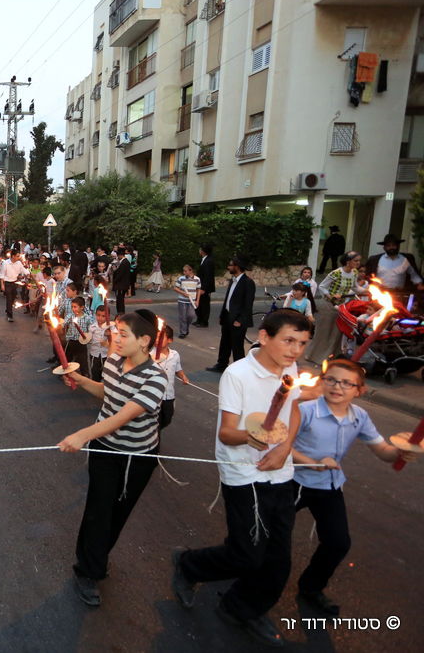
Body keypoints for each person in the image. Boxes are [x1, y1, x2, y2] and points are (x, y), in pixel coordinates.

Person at [171, 310, 315, 648]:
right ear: (264, 337)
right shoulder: (237, 374)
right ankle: (189, 564)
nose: (295, 351)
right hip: (243, 472)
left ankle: (243, 608)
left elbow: (293, 410)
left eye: (303, 344)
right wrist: (258, 439)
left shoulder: (290, 369)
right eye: (289, 341)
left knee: (278, 559)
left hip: (281, 471)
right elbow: (227, 433)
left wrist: (285, 448)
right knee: (247, 553)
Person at [58, 310, 169, 607]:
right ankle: (88, 570)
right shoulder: (113, 361)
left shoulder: (156, 378)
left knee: (119, 513)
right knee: (98, 510)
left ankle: (98, 555)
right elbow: (108, 394)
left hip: (139, 457)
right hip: (106, 450)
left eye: (123, 335)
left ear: (144, 341)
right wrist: (81, 380)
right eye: (115, 333)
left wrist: (83, 434)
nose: (115, 339)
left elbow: (123, 416)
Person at [289, 358, 417, 616]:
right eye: (332, 380)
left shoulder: (360, 417)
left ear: (360, 390)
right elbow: (282, 447)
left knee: (337, 542)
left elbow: (382, 449)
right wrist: (312, 462)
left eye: (347, 383)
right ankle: (244, 573)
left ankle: (311, 588)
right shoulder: (306, 410)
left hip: (329, 486)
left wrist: (401, 452)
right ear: (323, 382)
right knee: (269, 536)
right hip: (293, 483)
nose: (338, 387)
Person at [305, 251, 361, 365]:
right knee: (324, 332)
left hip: (341, 307)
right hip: (328, 305)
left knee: (336, 333)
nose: (358, 263)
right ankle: (316, 357)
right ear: (348, 261)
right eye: (356, 260)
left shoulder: (355, 272)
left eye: (359, 260)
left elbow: (356, 288)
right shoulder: (336, 273)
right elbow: (322, 286)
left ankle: (332, 357)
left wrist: (369, 291)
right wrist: (330, 295)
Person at [207, 256, 256, 373]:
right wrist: (222, 314)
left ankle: (240, 370)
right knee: (225, 342)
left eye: (230, 265)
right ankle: (221, 364)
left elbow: (248, 304)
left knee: (237, 345)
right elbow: (228, 299)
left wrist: (240, 319)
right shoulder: (233, 280)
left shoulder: (248, 283)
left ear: (237, 267)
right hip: (228, 316)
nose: (228, 267)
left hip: (238, 320)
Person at [364, 234, 424, 306]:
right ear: (384, 247)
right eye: (388, 246)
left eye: (393, 245)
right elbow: (367, 275)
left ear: (398, 246)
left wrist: (419, 284)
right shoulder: (375, 259)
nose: (391, 248)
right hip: (380, 294)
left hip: (399, 295)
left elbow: (414, 275)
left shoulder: (406, 259)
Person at [151, 325, 188, 430]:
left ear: (170, 340)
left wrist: (183, 376)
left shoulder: (174, 355)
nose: (157, 340)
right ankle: (154, 436)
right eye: (156, 337)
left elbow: (178, 369)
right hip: (154, 395)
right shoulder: (149, 354)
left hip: (169, 395)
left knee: (167, 418)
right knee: (155, 423)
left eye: (161, 337)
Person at [173, 264, 202, 338]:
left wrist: (197, 300)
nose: (184, 272)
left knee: (191, 315)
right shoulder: (181, 278)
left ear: (190, 270)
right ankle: (183, 332)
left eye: (185, 271)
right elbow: (175, 288)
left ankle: (186, 328)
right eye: (183, 271)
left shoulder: (197, 279)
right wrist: (183, 293)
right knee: (182, 317)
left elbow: (198, 290)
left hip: (192, 301)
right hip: (182, 301)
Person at [0, 251, 29, 322]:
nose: (19, 257)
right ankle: (10, 315)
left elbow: (24, 270)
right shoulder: (5, 263)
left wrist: (28, 274)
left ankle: (8, 309)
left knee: (13, 297)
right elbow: (2, 275)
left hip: (15, 283)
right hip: (7, 283)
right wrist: (2, 285)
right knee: (9, 299)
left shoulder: (19, 263)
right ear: (13, 256)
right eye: (18, 256)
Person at [195, 245, 215, 327]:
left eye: (200, 249)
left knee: (205, 305)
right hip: (200, 286)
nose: (199, 250)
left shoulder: (208, 261)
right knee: (199, 304)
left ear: (203, 251)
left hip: (204, 288)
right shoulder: (204, 260)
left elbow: (208, 276)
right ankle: (199, 319)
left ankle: (204, 322)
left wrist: (204, 288)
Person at [110, 248, 132, 316]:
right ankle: (120, 313)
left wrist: (114, 281)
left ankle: (121, 313)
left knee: (120, 300)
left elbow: (120, 274)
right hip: (121, 284)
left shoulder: (124, 262)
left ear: (120, 255)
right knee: (120, 299)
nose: (117, 257)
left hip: (121, 285)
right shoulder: (124, 262)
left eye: (117, 255)